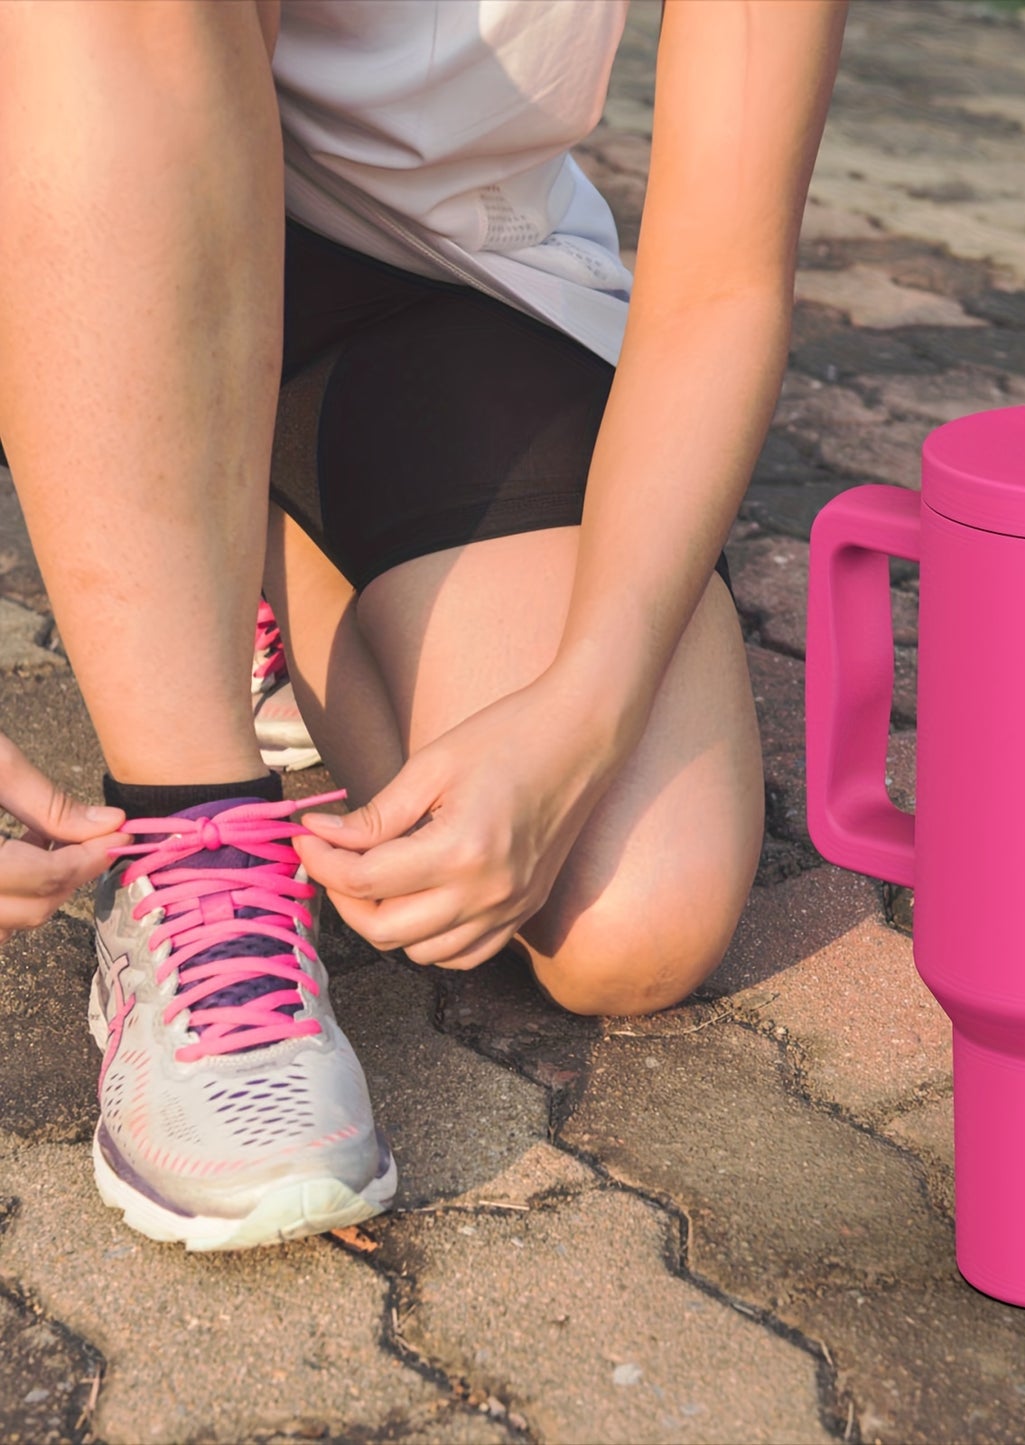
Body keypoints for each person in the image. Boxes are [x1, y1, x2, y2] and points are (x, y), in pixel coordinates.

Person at [0, 0, 847, 1249]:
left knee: (629, 912)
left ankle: (219, 528)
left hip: (429, 272)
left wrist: (580, 716)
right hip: (60, 196)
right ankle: (194, 836)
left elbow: (723, 278)